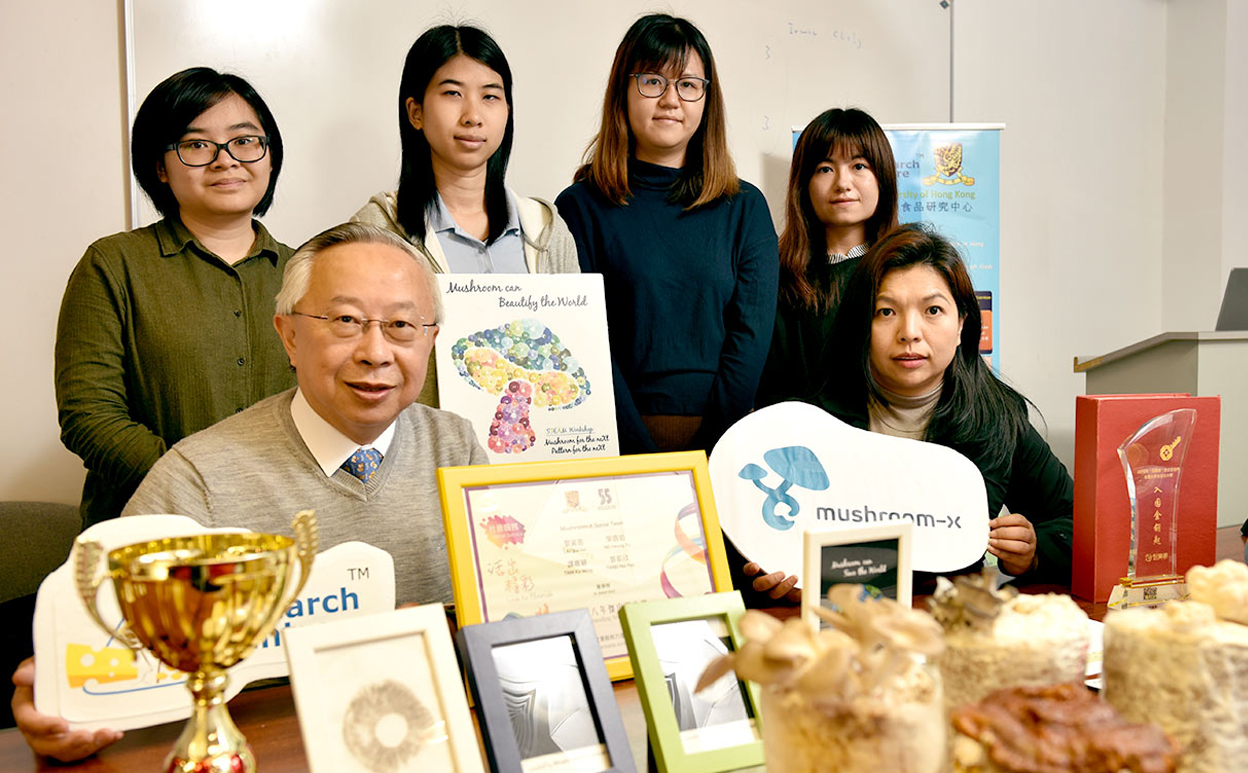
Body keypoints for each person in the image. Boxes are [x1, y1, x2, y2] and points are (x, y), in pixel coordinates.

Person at [14, 222, 487, 761]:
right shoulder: (198, 477)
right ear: (288, 335)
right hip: (267, 759)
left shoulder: (457, 447)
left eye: (402, 324)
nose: (375, 352)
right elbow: (94, 657)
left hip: (427, 749)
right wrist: (60, 705)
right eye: (346, 321)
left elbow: (506, 616)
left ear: (430, 340)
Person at [742, 224, 1074, 601]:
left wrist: (1032, 554)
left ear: (963, 322)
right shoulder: (813, 424)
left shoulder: (999, 416)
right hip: (844, 633)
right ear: (860, 326)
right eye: (886, 311)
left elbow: (1078, 524)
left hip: (947, 627)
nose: (909, 332)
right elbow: (757, 539)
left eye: (933, 310)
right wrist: (778, 579)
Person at [56, 67, 296, 529]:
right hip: (150, 531)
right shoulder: (112, 264)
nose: (226, 160)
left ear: (270, 157)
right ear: (160, 167)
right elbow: (89, 416)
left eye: (245, 141)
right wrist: (196, 487)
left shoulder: (311, 272)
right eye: (197, 145)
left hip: (284, 527)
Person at [556, 14, 778, 454]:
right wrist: (638, 454)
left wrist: (714, 447)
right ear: (624, 89)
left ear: (706, 99)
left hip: (726, 443)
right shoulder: (579, 207)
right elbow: (583, 340)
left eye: (689, 85)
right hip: (610, 437)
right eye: (653, 81)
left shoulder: (745, 208)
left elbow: (750, 340)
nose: (671, 100)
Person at [352, 24, 580, 407]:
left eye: (491, 96)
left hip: (532, 455)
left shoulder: (545, 230)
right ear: (416, 112)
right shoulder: (378, 230)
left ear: (507, 111)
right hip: (423, 454)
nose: (473, 116)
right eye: (453, 94)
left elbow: (576, 348)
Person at [757, 107, 899, 407]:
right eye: (825, 168)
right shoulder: (780, 276)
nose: (842, 183)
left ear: (882, 177)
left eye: (859, 166)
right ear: (803, 184)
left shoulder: (905, 271)